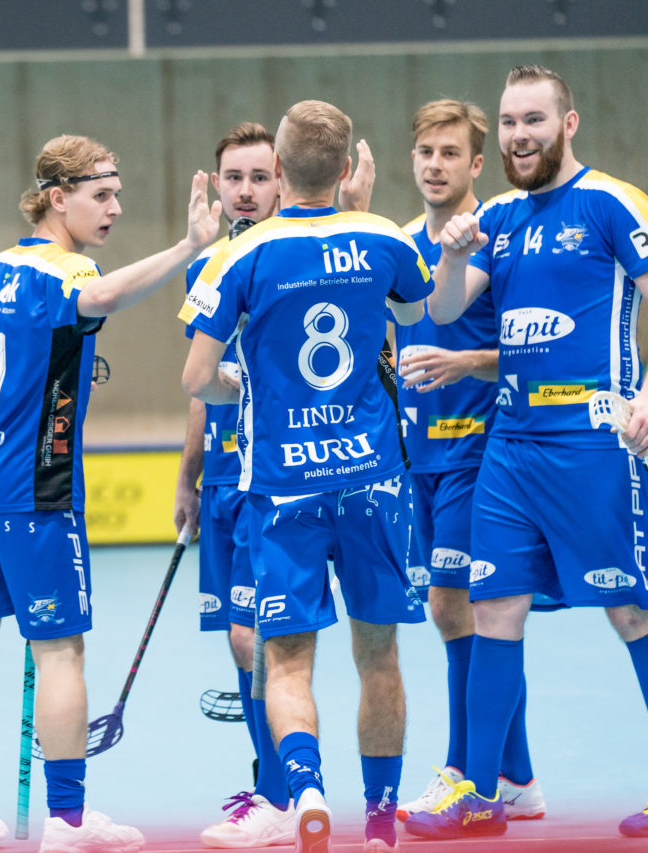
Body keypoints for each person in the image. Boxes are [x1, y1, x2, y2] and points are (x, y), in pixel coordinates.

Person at [406, 65, 648, 840]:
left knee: (632, 610)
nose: (519, 136)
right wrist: (452, 254)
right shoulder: (499, 216)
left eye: (533, 121)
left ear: (567, 124)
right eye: (509, 122)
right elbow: (444, 305)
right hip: (511, 447)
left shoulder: (612, 202)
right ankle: (482, 792)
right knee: (493, 607)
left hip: (593, 444)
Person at [0, 133, 220, 852]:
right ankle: (69, 821)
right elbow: (103, 295)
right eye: (102, 195)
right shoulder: (69, 270)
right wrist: (189, 247)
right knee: (61, 653)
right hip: (33, 492)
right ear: (57, 199)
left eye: (117, 194)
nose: (114, 208)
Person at [181, 99, 431, 853]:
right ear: (347, 169)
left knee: (287, 660)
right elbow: (415, 313)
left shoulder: (240, 255)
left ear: (279, 172)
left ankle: (307, 791)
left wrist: (246, 383)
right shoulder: (384, 237)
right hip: (373, 479)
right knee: (379, 653)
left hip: (284, 485)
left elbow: (197, 378)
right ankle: (381, 821)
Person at [392, 99, 545, 824]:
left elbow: (536, 347)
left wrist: (467, 362)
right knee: (467, 616)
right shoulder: (399, 243)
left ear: (478, 163)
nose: (435, 165)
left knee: (458, 606)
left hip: (481, 452)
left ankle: (463, 770)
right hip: (417, 457)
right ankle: (517, 777)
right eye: (426, 151)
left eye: (450, 153)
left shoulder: (496, 236)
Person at [172, 121, 297, 848]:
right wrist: (187, 476)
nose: (245, 190)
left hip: (278, 480)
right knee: (238, 637)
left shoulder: (298, 255)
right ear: (216, 187)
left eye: (259, 176)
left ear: (282, 181)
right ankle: (268, 782)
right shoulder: (207, 267)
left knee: (260, 638)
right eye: (234, 178)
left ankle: (283, 794)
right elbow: (201, 383)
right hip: (221, 479)